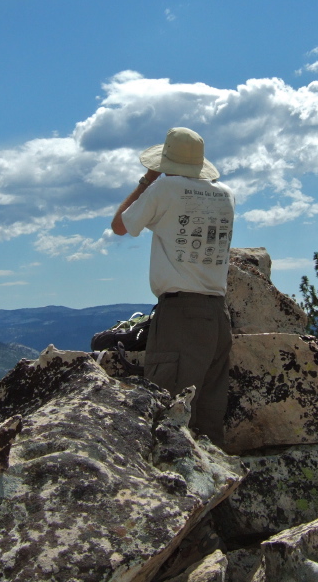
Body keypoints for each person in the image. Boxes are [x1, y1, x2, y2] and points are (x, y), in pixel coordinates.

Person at [111, 127, 235, 448]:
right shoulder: (226, 195)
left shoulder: (164, 188)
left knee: (168, 417)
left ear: (165, 160)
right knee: (209, 419)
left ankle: (174, 493)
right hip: (218, 318)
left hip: (180, 316)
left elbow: (120, 225)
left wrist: (146, 180)